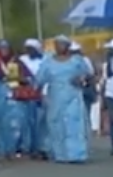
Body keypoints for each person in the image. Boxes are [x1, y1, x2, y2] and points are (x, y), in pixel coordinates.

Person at [35, 36, 93, 164]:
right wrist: (35, 92)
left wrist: (81, 80)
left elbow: (88, 76)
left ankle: (77, 154)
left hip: (73, 95)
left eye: (62, 44)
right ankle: (60, 154)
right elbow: (39, 80)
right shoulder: (48, 62)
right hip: (55, 97)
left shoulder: (76, 61)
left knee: (74, 124)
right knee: (56, 124)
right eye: (57, 44)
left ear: (68, 46)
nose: (59, 47)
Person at [15, 39, 47, 159]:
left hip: (42, 95)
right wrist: (22, 79)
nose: (29, 50)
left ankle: (38, 148)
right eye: (27, 48)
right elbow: (12, 76)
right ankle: (24, 147)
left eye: (31, 48)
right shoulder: (21, 60)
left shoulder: (45, 60)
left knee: (39, 123)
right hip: (24, 96)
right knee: (24, 122)